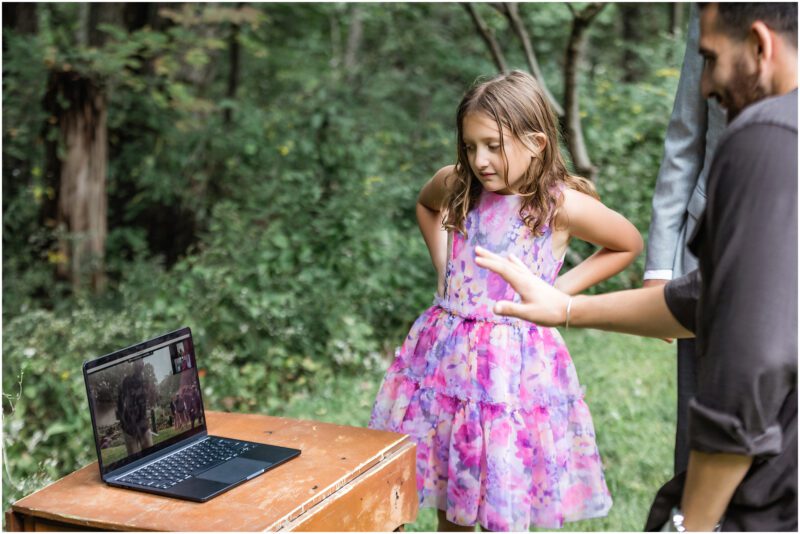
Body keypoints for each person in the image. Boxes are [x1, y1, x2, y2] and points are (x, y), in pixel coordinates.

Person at [475, 4, 797, 530]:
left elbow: (747, 372)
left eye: (711, 59)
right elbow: (708, 298)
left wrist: (692, 522)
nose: (707, 83)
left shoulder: (764, 139)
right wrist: (568, 307)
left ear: (761, 46)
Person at [369, 70, 644, 531]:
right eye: (471, 145)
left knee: (503, 492)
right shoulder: (457, 184)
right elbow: (425, 204)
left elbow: (627, 242)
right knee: (452, 492)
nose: (480, 159)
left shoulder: (559, 205)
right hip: (447, 364)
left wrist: (557, 294)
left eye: (494, 145)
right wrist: (445, 265)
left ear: (536, 141)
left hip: (513, 372)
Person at [644, 4, 726, 475]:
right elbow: (684, 137)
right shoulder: (709, 11)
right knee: (700, 429)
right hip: (707, 251)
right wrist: (660, 269)